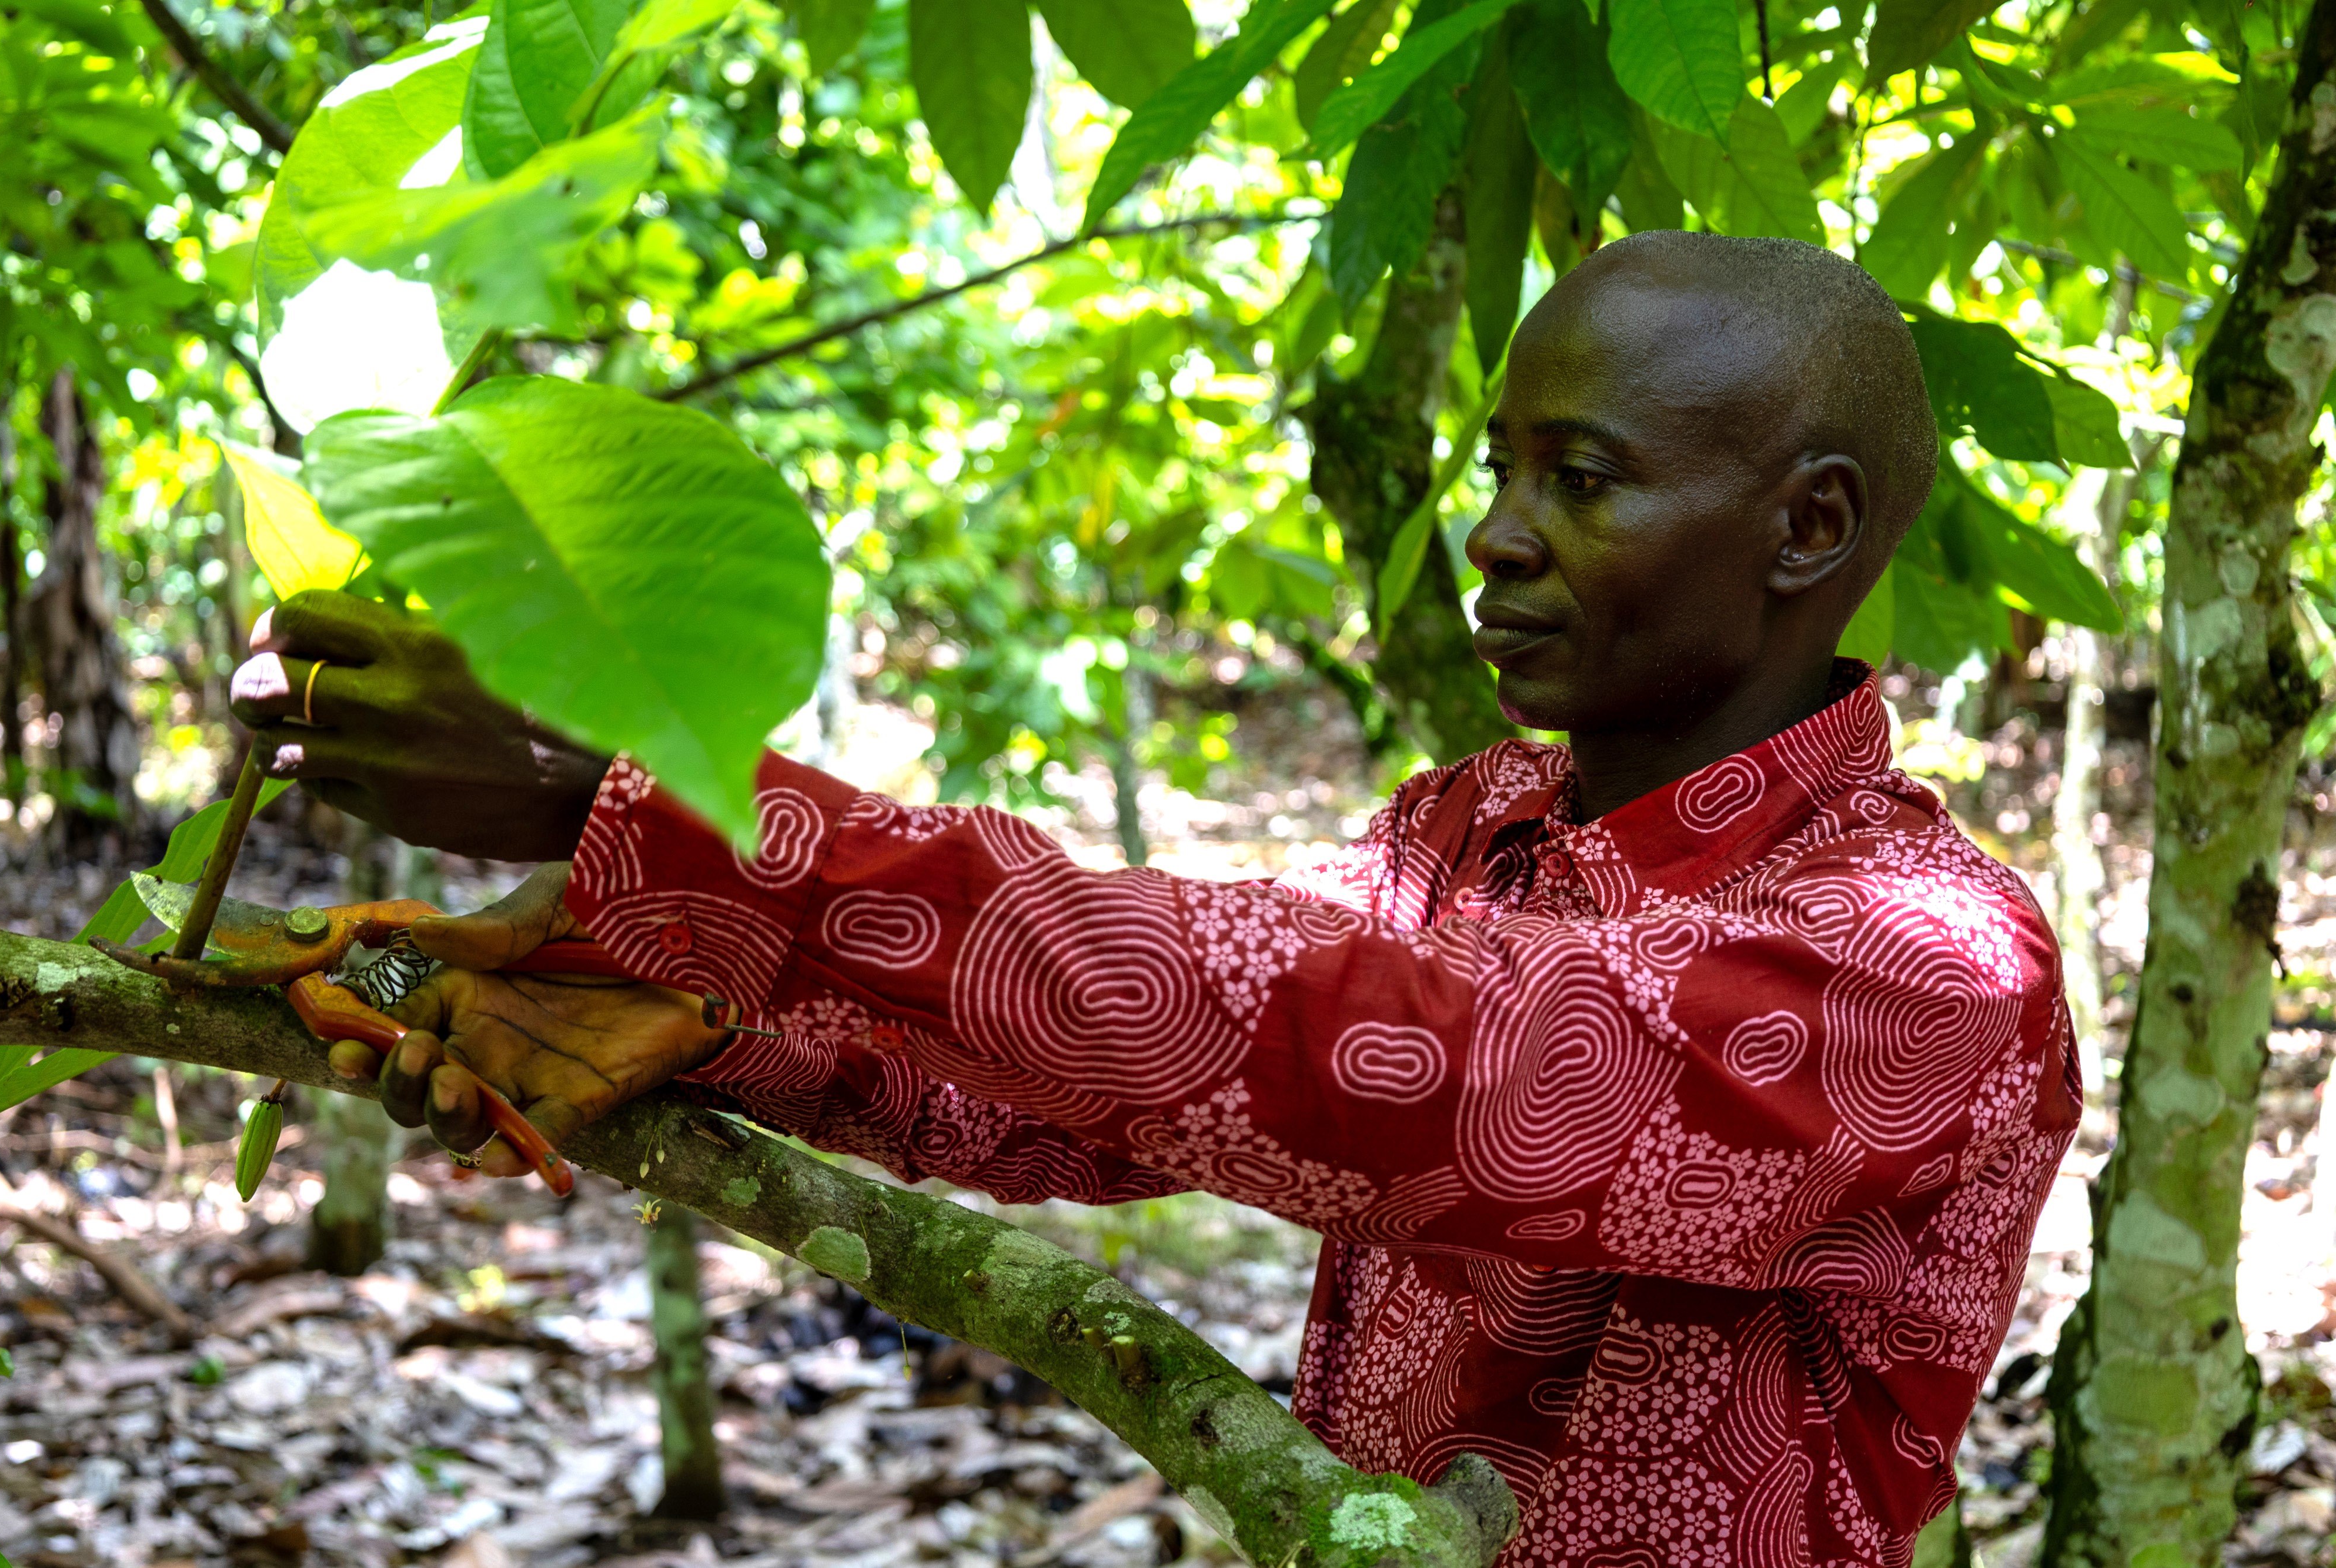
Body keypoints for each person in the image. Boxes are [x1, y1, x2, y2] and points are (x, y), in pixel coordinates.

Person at [230, 231, 2077, 1566]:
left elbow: (1422, 1080)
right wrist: (712, 1026)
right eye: (1501, 470)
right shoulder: (1475, 825)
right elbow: (1117, 1084)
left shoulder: (1927, 955)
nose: (1497, 537)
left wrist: (657, 812)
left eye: (1580, 480)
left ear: (1809, 527)